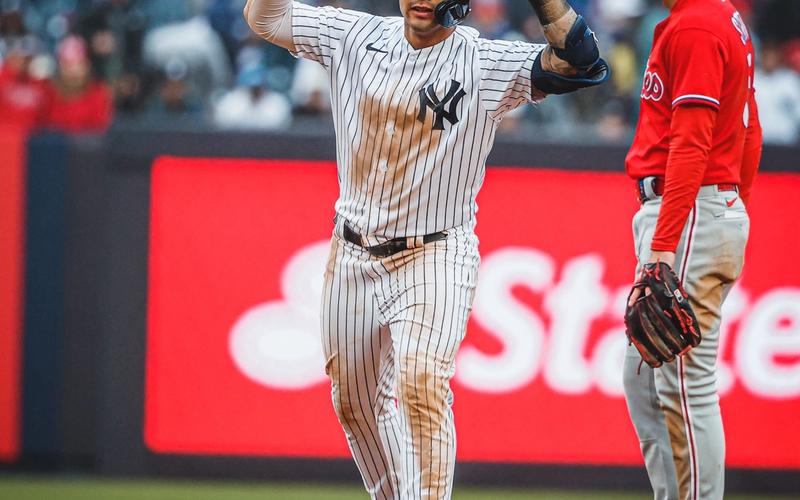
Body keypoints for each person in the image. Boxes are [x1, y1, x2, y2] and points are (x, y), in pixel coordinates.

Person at [243, 0, 608, 498]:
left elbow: (581, 62)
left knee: (422, 379)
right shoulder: (353, 35)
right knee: (354, 403)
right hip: (351, 251)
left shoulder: (482, 62)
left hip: (434, 252)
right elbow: (264, 17)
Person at [622, 0, 762, 499]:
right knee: (641, 378)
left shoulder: (699, 23)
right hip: (705, 207)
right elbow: (750, 129)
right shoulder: (719, 16)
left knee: (685, 386)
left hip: (690, 210)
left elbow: (692, 142)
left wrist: (668, 243)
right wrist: (735, 208)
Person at [47, 35, 113, 133]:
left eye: (78, 63)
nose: (73, 70)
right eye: (67, 64)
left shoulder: (99, 93)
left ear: (87, 64)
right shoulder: (47, 93)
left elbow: (100, 133)